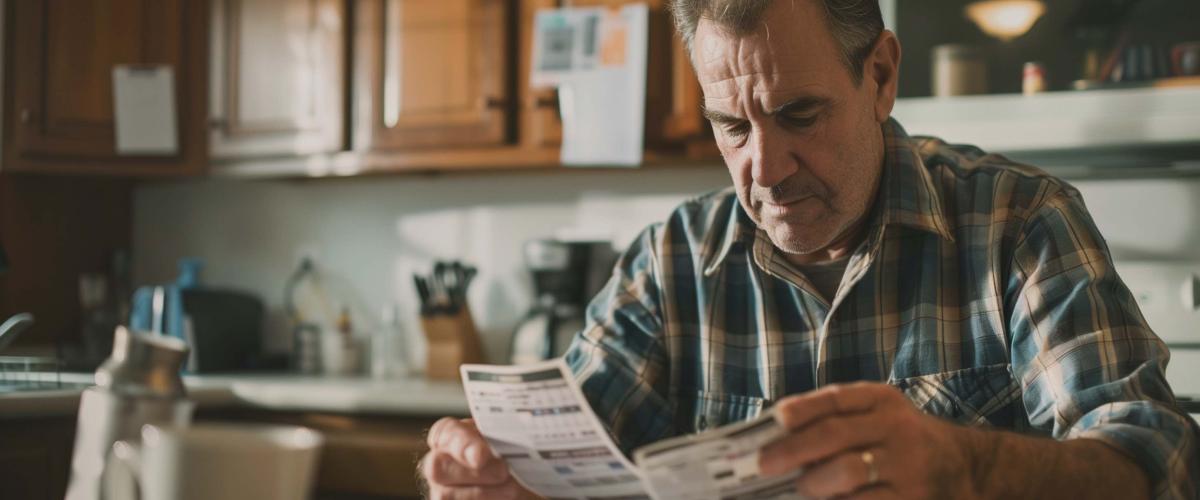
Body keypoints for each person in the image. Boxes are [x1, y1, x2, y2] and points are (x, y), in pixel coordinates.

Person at [419, 0, 1200, 498]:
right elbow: (560, 462)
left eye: (799, 113)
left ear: (882, 76)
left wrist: (966, 467)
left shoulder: (1019, 224)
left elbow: (1154, 460)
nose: (765, 167)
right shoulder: (672, 264)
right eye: (732, 127)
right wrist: (493, 476)